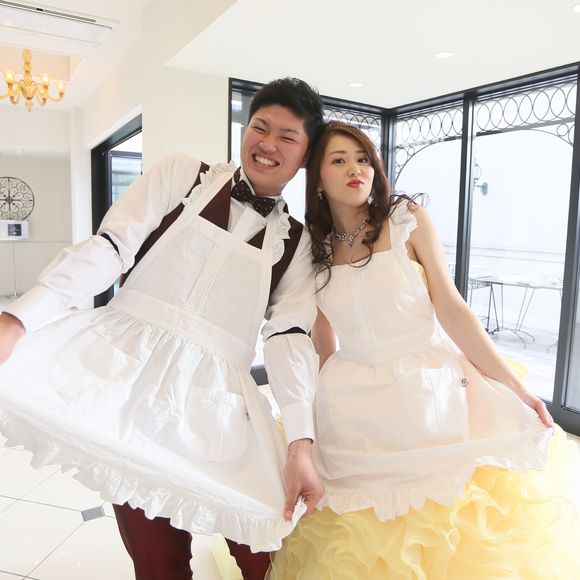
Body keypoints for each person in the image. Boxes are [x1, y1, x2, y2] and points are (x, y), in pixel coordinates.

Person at [0, 77, 326, 580]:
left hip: (216, 399)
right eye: (260, 127)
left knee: (263, 541)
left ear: (304, 156)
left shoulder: (298, 244)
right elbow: (110, 247)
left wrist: (301, 439)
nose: (268, 144)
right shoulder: (182, 175)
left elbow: (288, 338)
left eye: (288, 136)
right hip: (128, 384)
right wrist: (19, 318)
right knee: (156, 561)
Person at [269, 121, 580, 579]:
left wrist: (515, 387)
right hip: (351, 402)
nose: (356, 169)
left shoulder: (406, 220)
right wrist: (308, 422)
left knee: (439, 511)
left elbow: (451, 309)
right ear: (317, 178)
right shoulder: (313, 250)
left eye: (363, 159)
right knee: (357, 521)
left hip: (425, 390)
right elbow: (323, 342)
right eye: (339, 160)